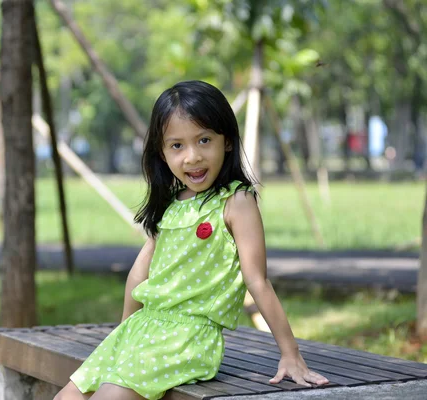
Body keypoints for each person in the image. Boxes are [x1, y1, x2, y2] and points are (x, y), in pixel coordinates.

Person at [54, 81, 329, 400]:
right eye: (177, 146)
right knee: (66, 397)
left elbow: (258, 281)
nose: (193, 157)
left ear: (226, 141)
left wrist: (290, 353)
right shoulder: (171, 204)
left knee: (110, 397)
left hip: (189, 338)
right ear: (162, 152)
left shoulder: (235, 201)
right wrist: (124, 332)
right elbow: (137, 275)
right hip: (141, 329)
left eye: (204, 140)